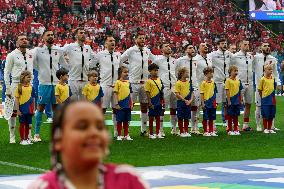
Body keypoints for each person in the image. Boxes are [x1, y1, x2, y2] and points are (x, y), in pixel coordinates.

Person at [28, 101, 150, 189]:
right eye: (82, 126)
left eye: (100, 127)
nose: (94, 133)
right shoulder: (44, 186)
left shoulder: (128, 180)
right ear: (58, 140)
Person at [33, 30, 68, 142]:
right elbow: (33, 64)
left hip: (56, 85)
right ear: (43, 38)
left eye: (52, 35)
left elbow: (64, 64)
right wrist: (42, 72)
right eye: (48, 35)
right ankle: (36, 134)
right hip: (44, 84)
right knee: (40, 108)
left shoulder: (58, 50)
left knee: (56, 109)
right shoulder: (38, 51)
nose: (51, 36)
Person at [120, 30, 157, 136]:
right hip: (133, 82)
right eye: (140, 38)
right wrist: (129, 68)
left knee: (144, 106)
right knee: (129, 106)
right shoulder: (131, 50)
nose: (142, 40)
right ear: (136, 39)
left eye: (143, 38)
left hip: (145, 82)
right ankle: (126, 131)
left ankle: (143, 130)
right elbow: (121, 60)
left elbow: (155, 60)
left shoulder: (147, 50)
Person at [4, 33, 34, 144]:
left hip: (28, 85)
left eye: (26, 39)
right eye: (21, 39)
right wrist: (7, 88)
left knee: (27, 110)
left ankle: (28, 136)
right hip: (15, 84)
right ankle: (12, 136)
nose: (24, 41)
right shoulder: (11, 55)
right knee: (13, 111)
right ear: (17, 42)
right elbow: (6, 72)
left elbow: (31, 69)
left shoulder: (31, 54)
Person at [93, 35, 121, 137]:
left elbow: (121, 67)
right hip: (104, 85)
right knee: (102, 109)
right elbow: (91, 65)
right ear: (105, 44)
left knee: (116, 109)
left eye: (113, 41)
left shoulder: (118, 54)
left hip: (116, 86)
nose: (112, 42)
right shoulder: (100, 55)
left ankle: (116, 131)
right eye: (110, 41)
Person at [253, 42, 281, 131]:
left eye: (268, 46)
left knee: (271, 106)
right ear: (261, 48)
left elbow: (276, 73)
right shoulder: (256, 58)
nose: (267, 47)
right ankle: (258, 125)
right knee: (258, 105)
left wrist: (278, 83)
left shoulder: (273, 59)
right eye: (265, 46)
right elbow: (252, 69)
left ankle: (272, 125)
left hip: (270, 88)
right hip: (259, 87)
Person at [63, 27, 95, 100]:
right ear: (76, 36)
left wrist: (89, 65)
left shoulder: (88, 47)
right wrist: (66, 64)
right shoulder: (70, 46)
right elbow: (59, 54)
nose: (83, 34)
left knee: (84, 104)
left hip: (85, 79)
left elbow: (95, 58)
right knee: (72, 103)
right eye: (81, 33)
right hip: (73, 79)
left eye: (84, 33)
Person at [154, 42, 177, 135]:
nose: (168, 47)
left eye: (169, 46)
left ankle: (174, 128)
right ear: (161, 49)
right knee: (162, 109)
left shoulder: (175, 60)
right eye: (166, 46)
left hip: (174, 87)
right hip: (164, 87)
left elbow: (177, 72)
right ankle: (160, 129)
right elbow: (152, 71)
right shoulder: (158, 60)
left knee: (174, 108)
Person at [176, 44, 200, 135]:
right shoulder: (180, 60)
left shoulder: (197, 60)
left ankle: (194, 128)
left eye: (193, 47)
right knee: (181, 108)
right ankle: (177, 129)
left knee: (195, 108)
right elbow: (176, 72)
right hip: (183, 87)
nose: (192, 49)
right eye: (190, 48)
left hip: (195, 86)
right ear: (185, 50)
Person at [208, 38, 232, 127]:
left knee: (226, 103)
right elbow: (208, 61)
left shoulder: (229, 54)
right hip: (217, 81)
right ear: (218, 45)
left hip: (227, 81)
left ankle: (226, 121)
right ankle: (212, 123)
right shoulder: (213, 54)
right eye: (222, 43)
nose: (224, 45)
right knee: (215, 103)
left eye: (225, 43)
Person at [230, 40, 254, 131]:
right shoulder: (235, 56)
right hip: (239, 83)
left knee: (248, 104)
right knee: (236, 104)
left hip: (250, 82)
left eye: (248, 44)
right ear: (240, 46)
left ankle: (245, 125)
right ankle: (234, 124)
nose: (247, 46)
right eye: (245, 44)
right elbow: (230, 68)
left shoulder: (251, 56)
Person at [14, 71, 35, 145]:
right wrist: (17, 110)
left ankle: (27, 138)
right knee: (22, 124)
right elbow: (16, 100)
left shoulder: (31, 87)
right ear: (23, 77)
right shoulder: (19, 88)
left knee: (28, 125)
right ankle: (22, 139)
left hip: (29, 109)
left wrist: (33, 109)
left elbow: (33, 99)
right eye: (28, 77)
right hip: (22, 109)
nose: (30, 78)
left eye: (30, 77)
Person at [145, 63, 164, 139]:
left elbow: (161, 91)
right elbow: (147, 92)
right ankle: (151, 133)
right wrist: (149, 102)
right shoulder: (148, 81)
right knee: (151, 117)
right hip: (152, 101)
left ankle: (157, 132)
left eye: (157, 70)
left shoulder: (159, 80)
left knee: (158, 117)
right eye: (154, 70)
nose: (156, 72)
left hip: (159, 101)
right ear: (150, 71)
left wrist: (162, 101)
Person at [113, 66, 133, 141]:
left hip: (127, 104)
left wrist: (131, 103)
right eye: (125, 72)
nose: (126, 74)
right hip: (120, 104)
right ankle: (119, 135)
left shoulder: (128, 82)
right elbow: (115, 93)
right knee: (119, 120)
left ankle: (126, 135)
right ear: (120, 73)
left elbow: (130, 94)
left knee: (126, 120)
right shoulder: (117, 82)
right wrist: (116, 104)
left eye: (127, 72)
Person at [175, 67, 194, 137]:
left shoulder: (189, 83)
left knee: (187, 117)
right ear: (182, 74)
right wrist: (184, 100)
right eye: (186, 72)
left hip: (188, 102)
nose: (188, 74)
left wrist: (190, 100)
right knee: (180, 117)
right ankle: (181, 131)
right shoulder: (178, 83)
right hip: (181, 102)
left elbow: (192, 92)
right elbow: (177, 94)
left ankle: (186, 131)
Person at [258, 64, 277, 134]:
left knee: (272, 114)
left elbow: (274, 88)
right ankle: (265, 128)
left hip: (272, 99)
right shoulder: (262, 79)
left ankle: (270, 128)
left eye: (271, 69)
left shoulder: (273, 78)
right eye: (269, 69)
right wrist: (263, 97)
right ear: (265, 70)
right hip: (265, 99)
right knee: (265, 114)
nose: (271, 71)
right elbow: (260, 89)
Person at [225, 65, 243, 135]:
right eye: (234, 71)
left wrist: (241, 99)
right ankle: (229, 129)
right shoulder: (228, 80)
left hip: (237, 101)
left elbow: (240, 90)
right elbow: (227, 91)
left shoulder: (238, 80)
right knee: (230, 115)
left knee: (236, 115)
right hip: (231, 100)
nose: (236, 72)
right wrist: (229, 101)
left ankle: (236, 129)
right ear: (230, 72)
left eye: (237, 71)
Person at [200, 67, 218, 137]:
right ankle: (205, 131)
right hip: (206, 102)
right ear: (206, 74)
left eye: (212, 72)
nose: (211, 74)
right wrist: (203, 103)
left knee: (212, 117)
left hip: (212, 102)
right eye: (210, 73)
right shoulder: (203, 83)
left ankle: (211, 130)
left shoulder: (213, 82)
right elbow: (202, 93)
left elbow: (215, 92)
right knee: (206, 116)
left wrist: (215, 102)